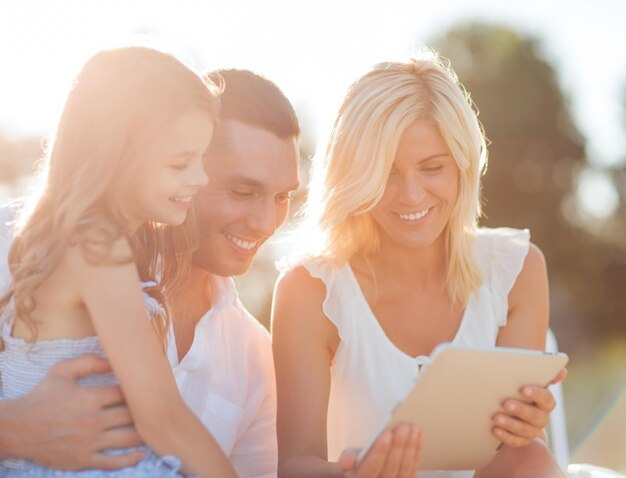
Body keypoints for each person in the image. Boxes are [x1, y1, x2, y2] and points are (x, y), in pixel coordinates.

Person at [271, 50, 566, 478]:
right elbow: (295, 465)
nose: (411, 195)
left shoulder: (516, 271)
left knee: (533, 457)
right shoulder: (311, 289)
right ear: (355, 174)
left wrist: (525, 428)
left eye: (432, 167)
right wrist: (357, 474)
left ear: (462, 165)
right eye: (387, 172)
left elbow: (516, 459)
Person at [0, 68, 301, 478]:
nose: (267, 222)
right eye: (242, 192)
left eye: (283, 196)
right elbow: (164, 419)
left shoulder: (253, 356)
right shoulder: (18, 238)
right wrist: (11, 429)